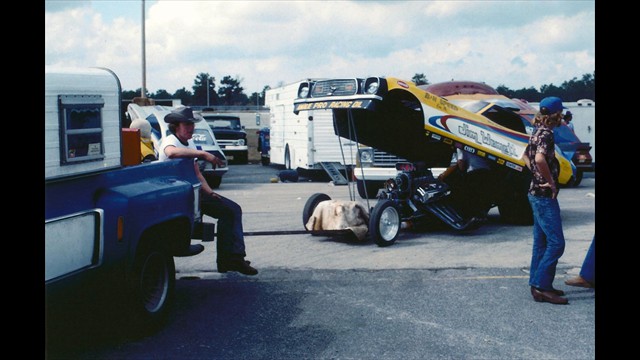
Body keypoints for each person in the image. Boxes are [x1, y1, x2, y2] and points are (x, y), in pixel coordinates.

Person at [159, 106, 258, 275]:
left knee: (231, 210)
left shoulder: (189, 143)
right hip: (176, 196)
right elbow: (171, 153)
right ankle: (231, 259)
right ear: (176, 126)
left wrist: (210, 192)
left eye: (192, 124)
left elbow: (196, 173)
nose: (191, 128)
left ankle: (231, 259)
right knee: (230, 211)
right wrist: (204, 154)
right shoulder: (171, 141)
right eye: (186, 124)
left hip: (194, 193)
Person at [523, 96, 568, 304]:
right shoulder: (547, 134)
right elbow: (540, 158)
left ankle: (537, 285)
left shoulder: (535, 132)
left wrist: (536, 175)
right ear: (556, 115)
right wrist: (550, 182)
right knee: (557, 243)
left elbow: (525, 156)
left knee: (540, 242)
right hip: (543, 196)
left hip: (534, 192)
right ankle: (542, 286)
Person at [438, 148, 493, 220]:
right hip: (486, 172)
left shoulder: (460, 147)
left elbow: (460, 163)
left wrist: (443, 175)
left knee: (462, 192)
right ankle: (480, 214)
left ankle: (466, 215)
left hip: (474, 172)